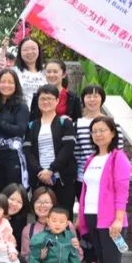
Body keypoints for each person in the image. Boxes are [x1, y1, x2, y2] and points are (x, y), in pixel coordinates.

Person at [77, 116, 132, 263]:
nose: (98, 134)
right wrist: (81, 218)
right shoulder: (91, 159)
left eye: (102, 130)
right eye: (94, 131)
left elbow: (122, 192)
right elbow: (86, 190)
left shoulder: (118, 158)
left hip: (111, 222)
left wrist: (118, 219)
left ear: (112, 133)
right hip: (93, 218)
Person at [25, 84, 78, 218]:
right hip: (40, 178)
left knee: (63, 215)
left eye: (49, 98)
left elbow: (67, 149)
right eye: (42, 99)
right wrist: (40, 171)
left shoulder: (64, 122)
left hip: (62, 178)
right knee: (42, 215)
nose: (46, 102)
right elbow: (28, 151)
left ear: (57, 101)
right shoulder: (32, 125)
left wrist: (51, 170)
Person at [0, 69, 29, 194]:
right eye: (3, 82)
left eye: (10, 82)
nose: (6, 85)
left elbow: (19, 130)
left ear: (16, 85)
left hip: (13, 155)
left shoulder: (21, 106)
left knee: (13, 192)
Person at [0, 36, 46, 100]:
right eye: (25, 49)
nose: (29, 52)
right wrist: (4, 49)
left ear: (39, 50)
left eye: (33, 49)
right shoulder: (14, 72)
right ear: (20, 52)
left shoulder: (46, 72)